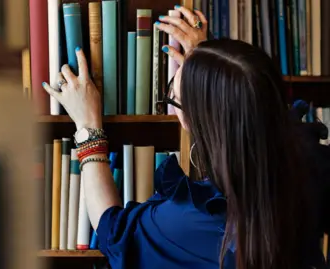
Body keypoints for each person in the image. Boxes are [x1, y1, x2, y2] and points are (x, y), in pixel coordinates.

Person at [42, 5, 325, 269]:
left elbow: (113, 233)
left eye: (173, 98)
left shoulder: (188, 222)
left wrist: (88, 127)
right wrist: (209, 70)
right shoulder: (313, 161)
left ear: (194, 120)